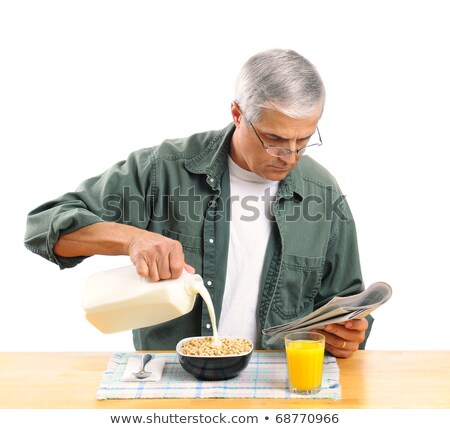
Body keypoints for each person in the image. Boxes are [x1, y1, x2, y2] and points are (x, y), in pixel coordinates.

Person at [25, 49, 372, 357]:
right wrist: (131, 239)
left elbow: (346, 303)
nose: (290, 156)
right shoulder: (163, 170)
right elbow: (45, 227)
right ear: (237, 114)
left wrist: (349, 334)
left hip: (280, 387)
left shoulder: (321, 192)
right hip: (172, 383)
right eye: (274, 140)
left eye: (304, 140)